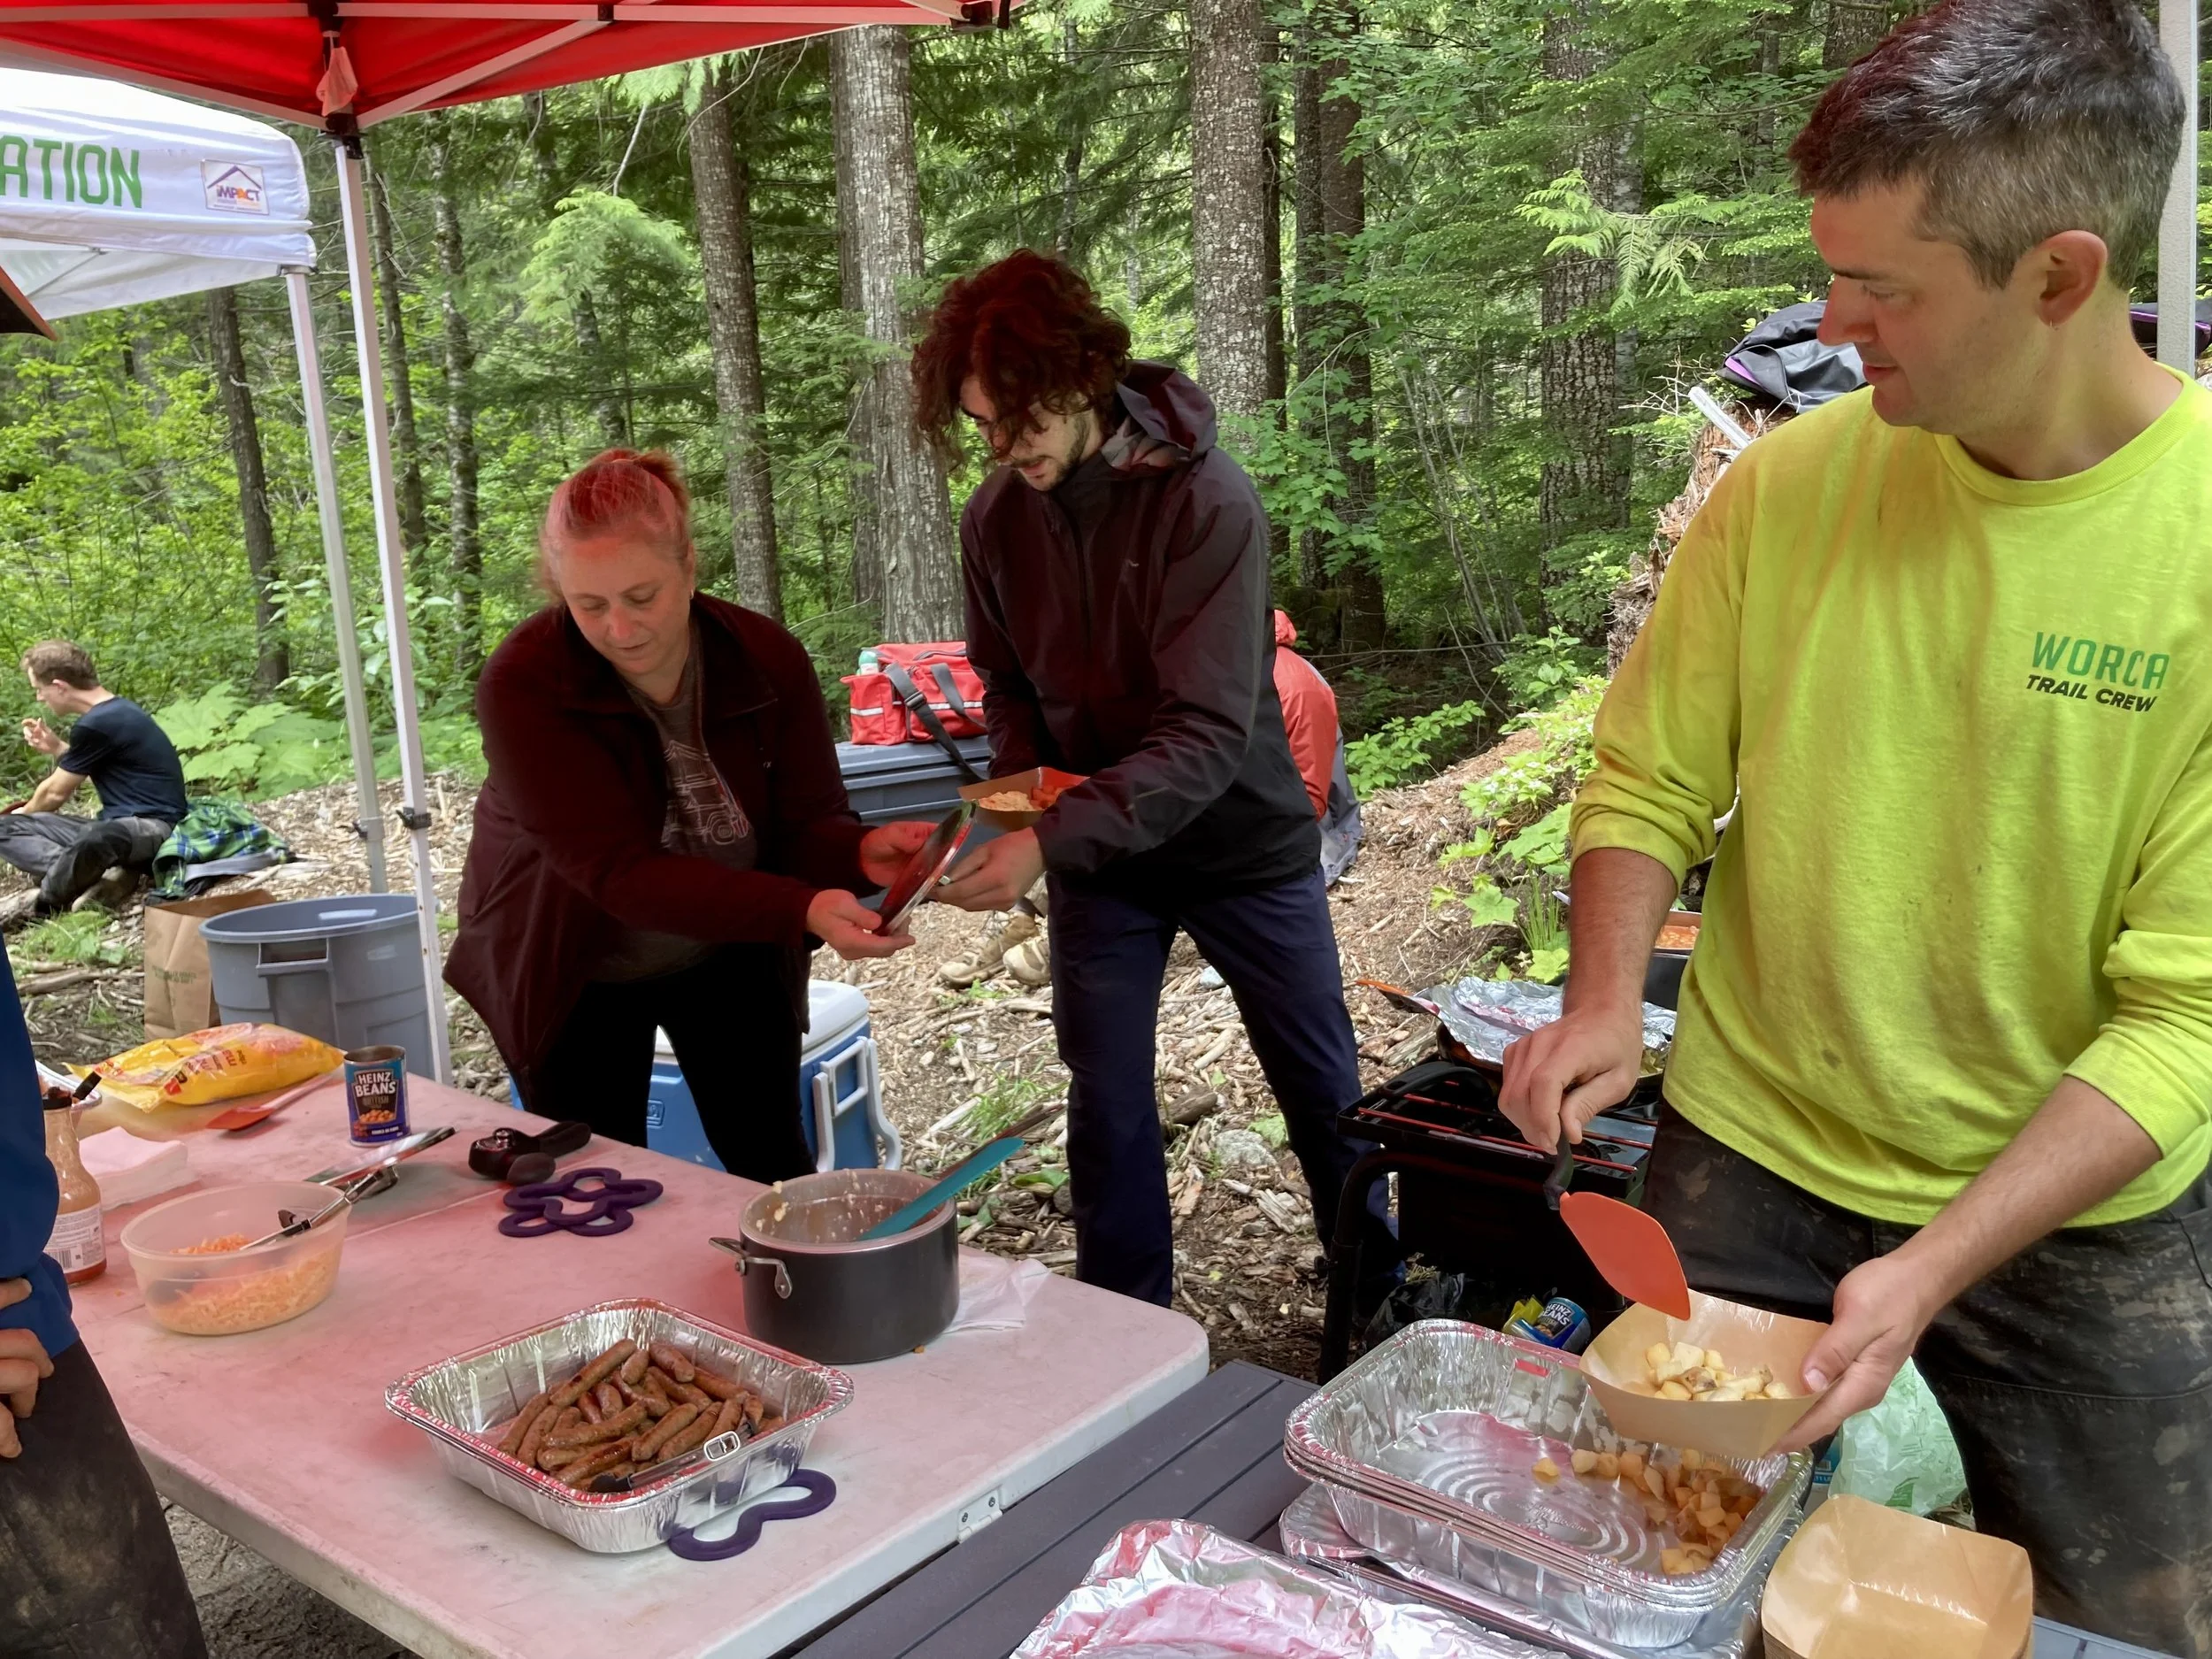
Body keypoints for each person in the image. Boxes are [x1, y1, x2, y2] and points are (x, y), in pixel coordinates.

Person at [1497, 1, 2209, 1649]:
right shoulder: (1789, 486)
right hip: (1754, 1144)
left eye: (1884, 288)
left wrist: (1939, 1257)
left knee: (2126, 1623)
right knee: (1661, 1555)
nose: (1833, 324)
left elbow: (2188, 1018)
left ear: (2060, 276)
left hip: (2075, 1204)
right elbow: (1648, 775)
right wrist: (1601, 1004)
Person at [912, 250, 1395, 1309]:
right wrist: (1003, 814)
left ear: (1085, 376)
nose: (1005, 448)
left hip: (1241, 843)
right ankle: (1125, 1330)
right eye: (982, 426)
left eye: (1023, 419)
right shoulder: (996, 519)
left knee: (1321, 1089)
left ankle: (1377, 1300)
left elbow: (1205, 734)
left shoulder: (1204, 500)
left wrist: (1046, 837)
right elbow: (1009, 693)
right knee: (1107, 1099)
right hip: (1103, 857)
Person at [447, 450, 931, 1181]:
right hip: (571, 959)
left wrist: (862, 853)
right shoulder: (525, 683)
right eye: (589, 606)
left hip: (730, 944)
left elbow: (808, 821)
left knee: (770, 1159)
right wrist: (800, 907)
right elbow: (617, 873)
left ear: (689, 566)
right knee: (591, 1178)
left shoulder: (764, 657)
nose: (620, 629)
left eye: (642, 596)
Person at [0, 641, 187, 922]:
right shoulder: (116, 711)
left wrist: (24, 813)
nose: (39, 698)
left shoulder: (98, 723)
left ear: (60, 686)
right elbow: (104, 768)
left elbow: (54, 794)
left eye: (39, 689)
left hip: (153, 830)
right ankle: (100, 875)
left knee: (98, 836)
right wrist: (57, 748)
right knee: (5, 826)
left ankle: (48, 902)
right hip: (120, 829)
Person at [1271, 609, 1362, 885]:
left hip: (1300, 831)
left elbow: (1307, 778)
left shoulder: (1279, 679)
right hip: (1300, 812)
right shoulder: (1297, 670)